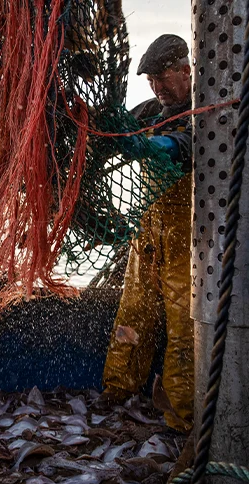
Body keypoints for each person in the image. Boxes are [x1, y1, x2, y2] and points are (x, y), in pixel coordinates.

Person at [96, 34, 194, 435]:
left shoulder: (202, 112)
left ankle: (181, 419)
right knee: (132, 315)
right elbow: (115, 130)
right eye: (151, 80)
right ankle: (117, 390)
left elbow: (183, 145)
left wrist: (155, 147)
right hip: (148, 236)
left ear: (186, 71)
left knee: (184, 328)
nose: (157, 88)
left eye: (163, 78)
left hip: (188, 243)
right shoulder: (151, 110)